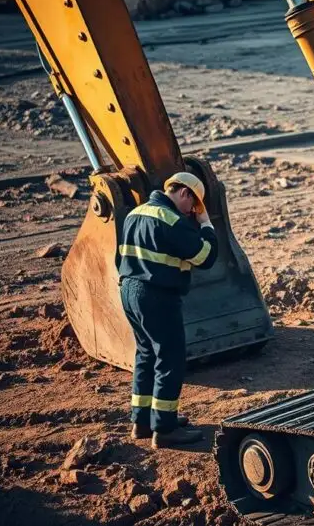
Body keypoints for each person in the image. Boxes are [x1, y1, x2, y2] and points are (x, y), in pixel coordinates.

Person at [116, 172, 218, 449]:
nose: (192, 212)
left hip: (129, 290)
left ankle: (142, 421)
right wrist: (206, 225)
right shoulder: (171, 219)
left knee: (146, 354)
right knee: (169, 359)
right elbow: (206, 257)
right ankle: (164, 428)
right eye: (193, 205)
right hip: (157, 295)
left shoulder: (135, 213)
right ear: (184, 193)